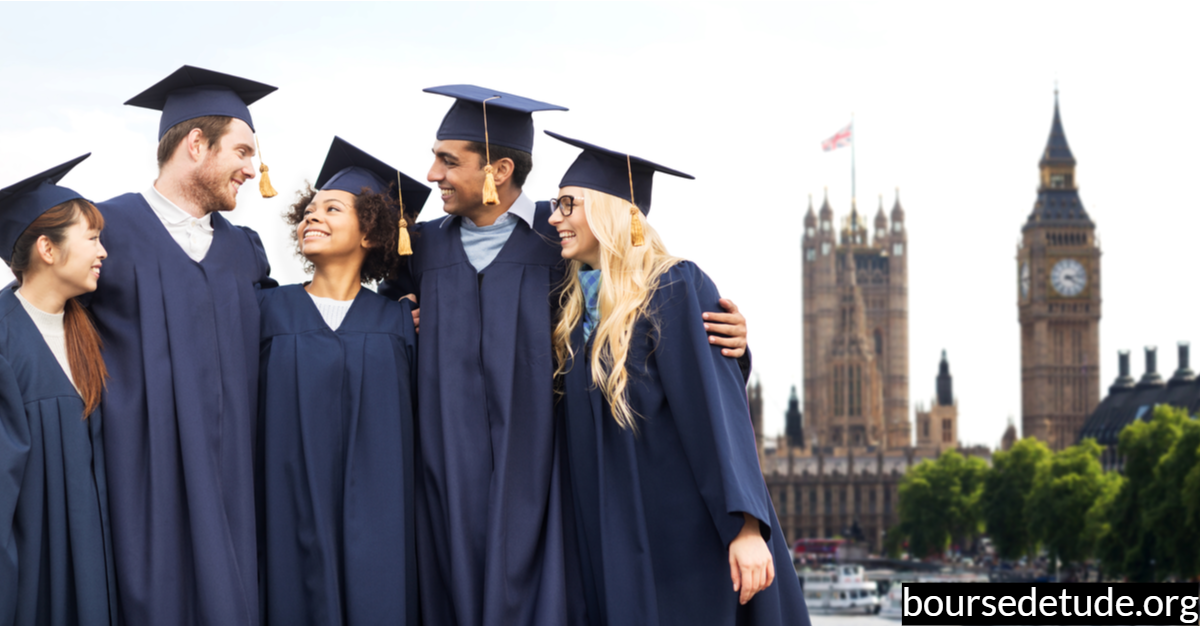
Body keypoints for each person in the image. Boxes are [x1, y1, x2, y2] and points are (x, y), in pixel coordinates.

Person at [379, 85, 751, 625]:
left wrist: (734, 340)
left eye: (446, 159)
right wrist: (401, 312)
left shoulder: (561, 245)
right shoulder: (423, 246)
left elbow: (645, 299)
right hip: (443, 478)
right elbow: (381, 320)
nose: (432, 173)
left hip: (547, 480)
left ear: (498, 170)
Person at [546, 131, 810, 625]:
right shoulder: (573, 304)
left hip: (680, 538)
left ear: (612, 214)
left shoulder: (674, 286)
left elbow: (714, 409)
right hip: (607, 536)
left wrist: (746, 527)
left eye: (566, 204)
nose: (553, 216)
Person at [88, 66, 277, 625]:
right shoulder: (104, 230)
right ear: (196, 144)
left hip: (233, 480)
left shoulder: (245, 251)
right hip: (139, 477)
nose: (253, 168)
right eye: (242, 151)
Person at [257, 137, 427, 625]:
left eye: (332, 208)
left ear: (371, 232)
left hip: (380, 518)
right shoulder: (266, 309)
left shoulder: (398, 324)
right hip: (286, 511)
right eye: (308, 210)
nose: (313, 217)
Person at [0, 155, 117, 625]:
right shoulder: (6, 339)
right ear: (47, 249)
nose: (103, 251)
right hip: (30, 569)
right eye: (92, 239)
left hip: (92, 558)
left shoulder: (88, 333)